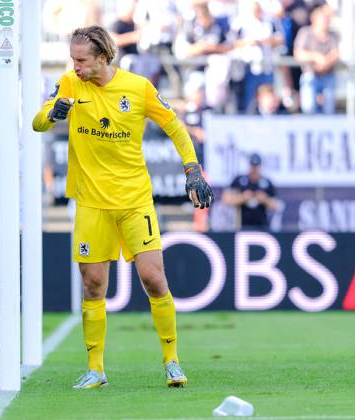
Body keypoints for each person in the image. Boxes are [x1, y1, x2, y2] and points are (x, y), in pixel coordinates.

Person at [32, 26, 213, 389]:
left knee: (153, 278)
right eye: (73, 60)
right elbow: (38, 123)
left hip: (134, 201)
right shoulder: (69, 84)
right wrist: (54, 113)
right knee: (94, 285)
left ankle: (172, 361)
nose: (76, 66)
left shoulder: (138, 87)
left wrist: (192, 168)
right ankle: (96, 369)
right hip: (90, 203)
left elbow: (175, 126)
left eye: (81, 60)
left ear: (102, 57)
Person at [293, 4, 339, 114]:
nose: (326, 21)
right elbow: (298, 53)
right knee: (309, 107)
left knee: (329, 109)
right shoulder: (305, 32)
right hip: (310, 74)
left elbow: (336, 53)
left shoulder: (333, 35)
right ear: (314, 19)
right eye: (323, 18)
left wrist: (325, 62)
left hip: (328, 75)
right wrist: (316, 57)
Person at [222, 153, 277, 230]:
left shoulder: (267, 182)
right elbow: (226, 200)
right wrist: (242, 198)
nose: (254, 169)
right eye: (252, 165)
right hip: (242, 226)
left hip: (263, 227)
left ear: (260, 166)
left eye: (256, 166)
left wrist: (264, 199)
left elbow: (275, 206)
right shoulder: (239, 180)